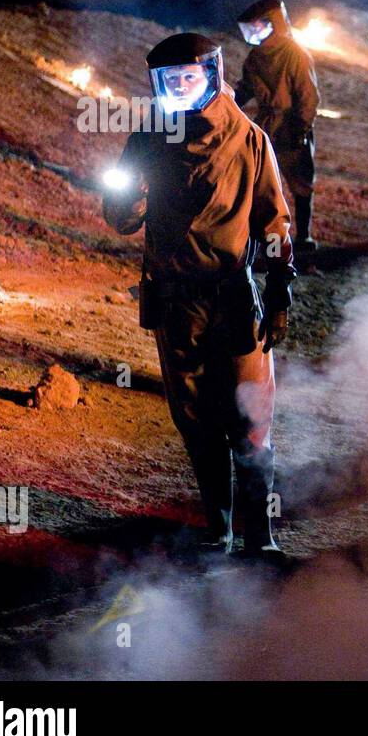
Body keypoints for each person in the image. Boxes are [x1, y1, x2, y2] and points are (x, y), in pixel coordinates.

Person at [104, 33, 294, 556]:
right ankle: (219, 530)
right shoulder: (149, 139)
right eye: (170, 81)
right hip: (173, 300)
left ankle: (262, 536)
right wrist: (127, 193)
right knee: (194, 417)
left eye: (189, 78)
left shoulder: (249, 139)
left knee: (250, 416)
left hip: (232, 295)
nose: (180, 88)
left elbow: (274, 217)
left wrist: (279, 285)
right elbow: (122, 218)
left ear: (211, 76)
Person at [233, 0, 321, 252]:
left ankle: (304, 237)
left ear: (274, 23)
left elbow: (308, 97)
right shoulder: (255, 57)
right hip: (266, 127)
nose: (252, 32)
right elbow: (246, 87)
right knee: (260, 184)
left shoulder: (296, 54)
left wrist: (301, 130)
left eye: (257, 26)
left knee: (301, 183)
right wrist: (227, 101)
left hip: (292, 126)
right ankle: (262, 240)